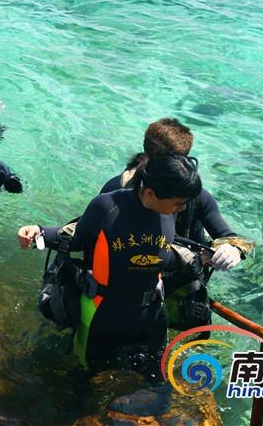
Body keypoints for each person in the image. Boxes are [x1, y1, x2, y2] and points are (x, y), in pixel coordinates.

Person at [18, 151, 202, 379]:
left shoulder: (167, 212)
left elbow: (156, 255)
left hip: (151, 316)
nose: (183, 209)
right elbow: (75, 239)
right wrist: (39, 232)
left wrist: (197, 258)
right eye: (179, 203)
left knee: (157, 380)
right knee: (85, 379)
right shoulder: (107, 207)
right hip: (103, 314)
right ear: (151, 193)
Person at [99, 117, 244, 272]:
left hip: (186, 268)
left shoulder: (196, 197)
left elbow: (233, 239)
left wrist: (235, 250)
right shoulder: (116, 191)